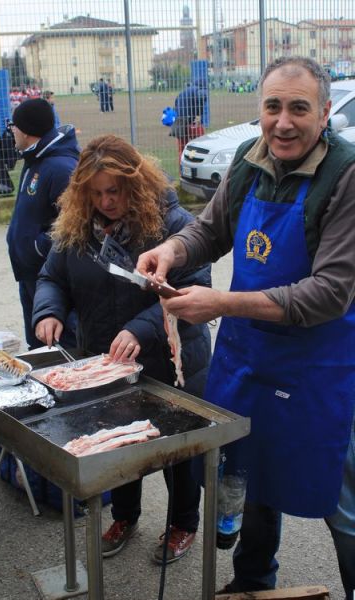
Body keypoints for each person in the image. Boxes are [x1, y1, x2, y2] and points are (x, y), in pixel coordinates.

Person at [136, 56, 355, 598]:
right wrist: (170, 249)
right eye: (273, 106)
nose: (283, 122)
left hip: (318, 365)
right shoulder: (247, 159)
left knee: (341, 495)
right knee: (254, 474)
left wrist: (222, 303)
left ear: (325, 113)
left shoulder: (346, 176)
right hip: (251, 355)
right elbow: (209, 231)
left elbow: (329, 292)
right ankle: (254, 578)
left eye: (299, 108)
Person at [32, 134, 212, 564]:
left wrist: (140, 327)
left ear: (136, 183)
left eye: (114, 190)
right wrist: (49, 311)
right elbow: (51, 277)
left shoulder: (172, 224)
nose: (106, 201)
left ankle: (182, 524)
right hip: (108, 361)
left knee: (177, 450)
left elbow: (195, 291)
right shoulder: (78, 227)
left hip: (172, 361)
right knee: (118, 444)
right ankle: (125, 516)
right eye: (95, 193)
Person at [6, 98, 79, 350]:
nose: (11, 131)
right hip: (30, 274)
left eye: (13, 126)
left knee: (56, 348)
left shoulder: (60, 167)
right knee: (37, 345)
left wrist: (39, 248)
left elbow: (75, 225)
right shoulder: (35, 159)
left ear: (25, 130)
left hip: (47, 275)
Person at [171, 80, 206, 160]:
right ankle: (192, 162)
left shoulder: (181, 93)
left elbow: (175, 107)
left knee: (182, 149)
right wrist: (199, 115)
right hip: (191, 122)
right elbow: (201, 98)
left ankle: (182, 168)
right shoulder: (199, 90)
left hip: (179, 122)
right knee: (198, 145)